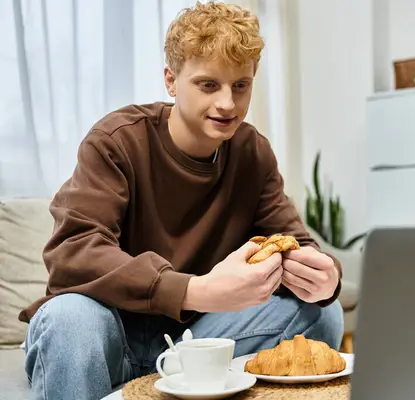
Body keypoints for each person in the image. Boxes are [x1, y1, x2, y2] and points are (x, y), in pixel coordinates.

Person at [19, 2, 344, 399]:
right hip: (106, 331)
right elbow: (74, 251)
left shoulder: (252, 152)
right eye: (208, 85)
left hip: (192, 340)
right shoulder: (117, 140)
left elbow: (295, 240)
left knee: (323, 310)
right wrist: (194, 290)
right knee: (69, 318)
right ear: (171, 80)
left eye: (240, 85)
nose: (228, 103)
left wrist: (324, 277)